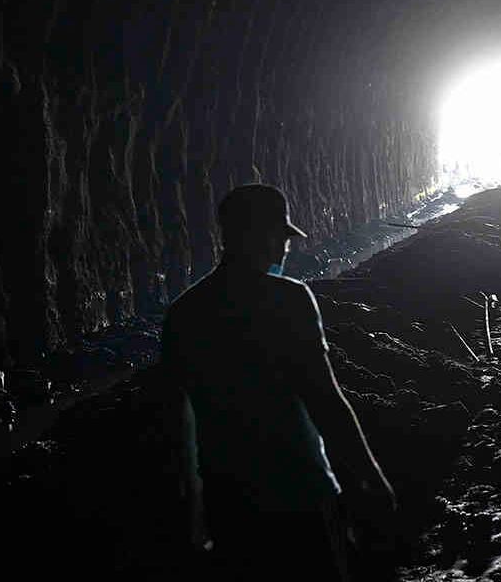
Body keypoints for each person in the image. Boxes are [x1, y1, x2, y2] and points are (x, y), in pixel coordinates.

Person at [160, 184, 395, 581]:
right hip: (301, 491)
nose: (285, 250)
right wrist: (369, 476)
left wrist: (191, 515)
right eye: (283, 239)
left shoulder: (184, 313)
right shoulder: (288, 299)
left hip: (229, 501)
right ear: (267, 236)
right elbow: (325, 400)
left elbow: (177, 425)